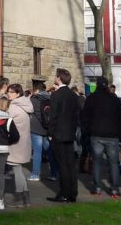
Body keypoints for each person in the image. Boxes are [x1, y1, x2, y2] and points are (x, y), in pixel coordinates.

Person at [81, 76, 121, 198]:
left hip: (96, 134)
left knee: (97, 161)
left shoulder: (91, 99)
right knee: (113, 163)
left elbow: (85, 116)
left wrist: (89, 129)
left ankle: (97, 187)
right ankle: (115, 189)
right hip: (112, 134)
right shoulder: (114, 99)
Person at [47, 68, 80, 203]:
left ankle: (64, 193)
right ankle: (72, 192)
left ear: (59, 78)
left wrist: (50, 133)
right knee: (70, 164)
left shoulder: (56, 95)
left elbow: (53, 116)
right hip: (69, 133)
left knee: (62, 165)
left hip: (59, 134)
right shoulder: (73, 96)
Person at [6, 83, 34, 206]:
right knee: (19, 170)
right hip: (23, 143)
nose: (8, 94)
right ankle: (26, 198)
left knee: (17, 170)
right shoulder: (25, 104)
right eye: (8, 91)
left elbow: (4, 124)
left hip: (16, 144)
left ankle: (19, 198)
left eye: (11, 92)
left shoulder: (13, 107)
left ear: (18, 94)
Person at [28, 81, 56, 182]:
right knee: (50, 151)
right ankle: (54, 173)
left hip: (36, 128)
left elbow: (30, 111)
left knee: (37, 152)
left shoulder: (34, 99)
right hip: (47, 128)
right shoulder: (51, 98)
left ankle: (35, 174)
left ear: (36, 90)